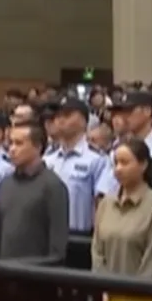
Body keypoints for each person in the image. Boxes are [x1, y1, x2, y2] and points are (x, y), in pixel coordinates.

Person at [0, 122, 70, 261]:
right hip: (3, 270)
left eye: (19, 143)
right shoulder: (5, 184)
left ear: (38, 147)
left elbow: (57, 252)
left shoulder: (53, 186)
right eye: (10, 143)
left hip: (36, 271)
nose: (12, 149)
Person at [91, 139, 152, 277]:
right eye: (116, 163)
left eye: (124, 163)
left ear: (143, 165)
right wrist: (104, 283)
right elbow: (97, 252)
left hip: (144, 288)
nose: (118, 169)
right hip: (106, 287)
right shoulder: (106, 204)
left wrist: (134, 287)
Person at [44, 97, 108, 233]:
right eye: (57, 116)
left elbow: (102, 205)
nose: (60, 120)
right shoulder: (47, 160)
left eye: (67, 115)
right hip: (48, 235)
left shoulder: (97, 160)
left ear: (83, 121)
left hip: (80, 235)